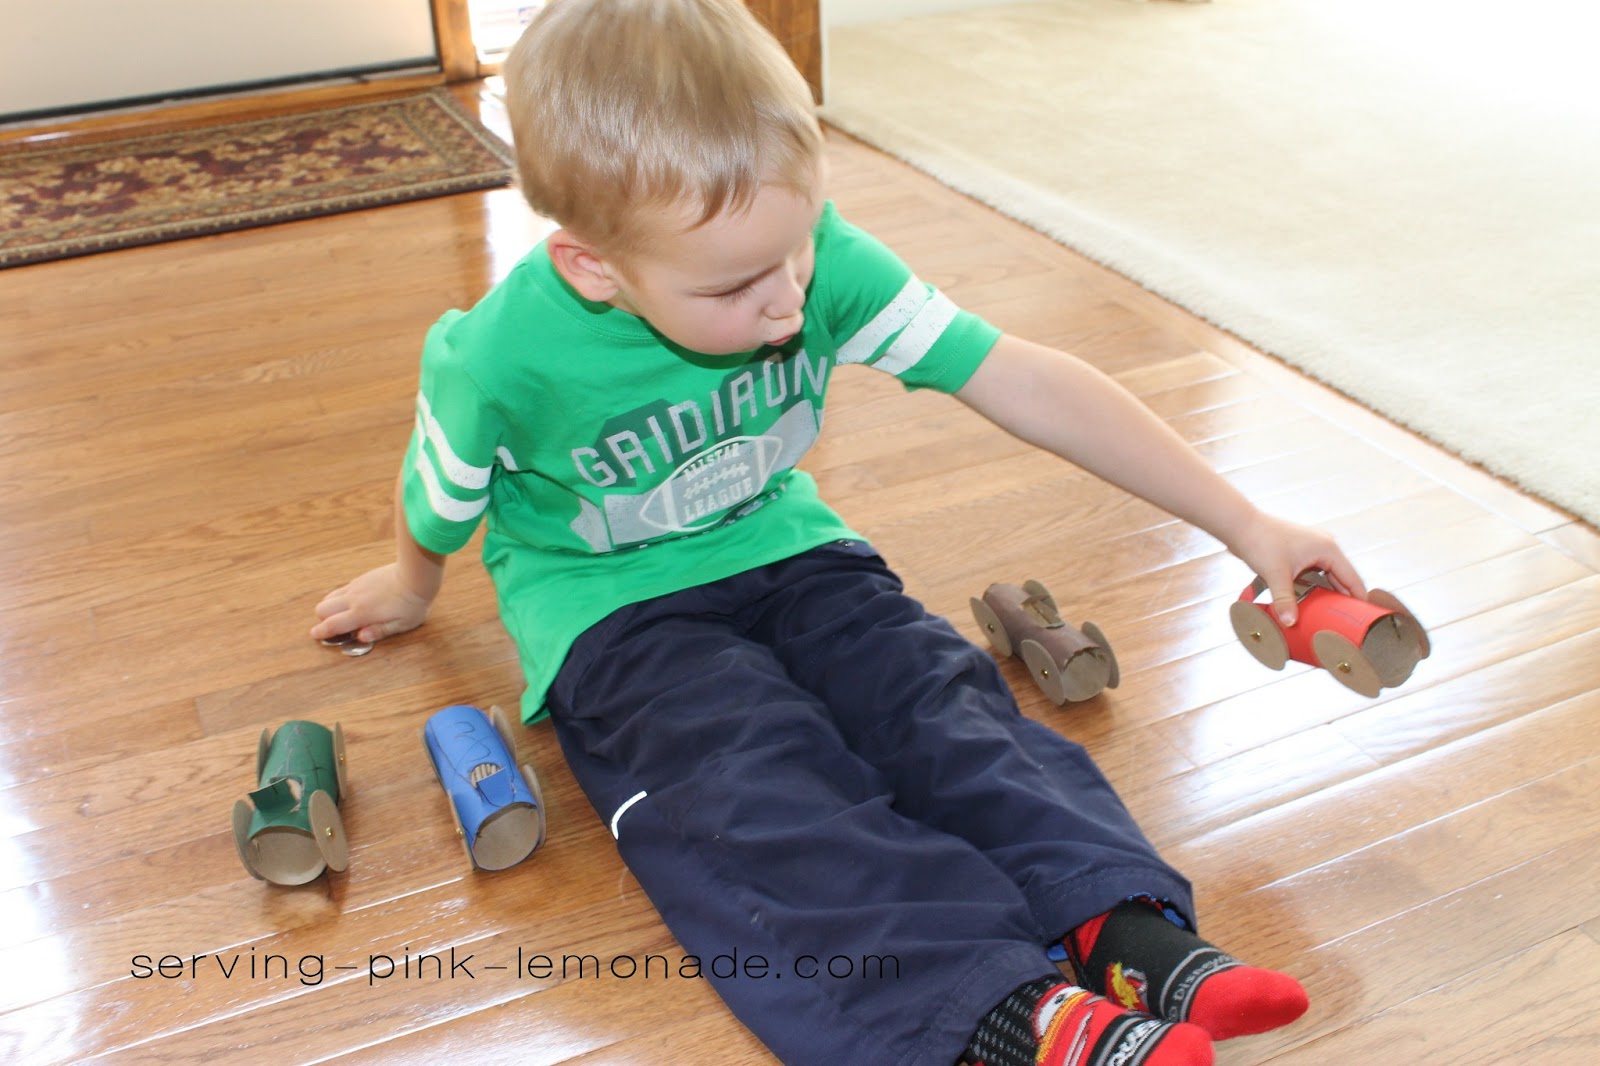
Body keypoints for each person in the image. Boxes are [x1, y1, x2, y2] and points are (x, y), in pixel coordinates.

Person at [311, 2, 1364, 1063]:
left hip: (793, 549)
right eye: (734, 287)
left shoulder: (804, 258)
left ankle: (1121, 932)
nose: (785, 306)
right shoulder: (498, 359)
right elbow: (438, 499)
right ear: (594, 267)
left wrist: (1243, 520)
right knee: (748, 773)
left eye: (796, 253)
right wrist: (410, 583)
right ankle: (993, 1010)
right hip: (607, 607)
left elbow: (1016, 376)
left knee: (941, 702)